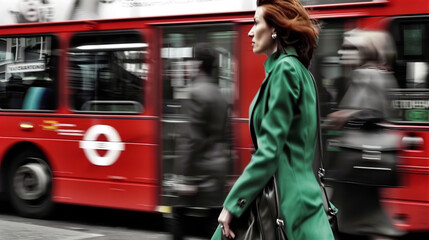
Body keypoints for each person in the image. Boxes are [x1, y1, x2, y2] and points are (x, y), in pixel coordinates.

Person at [212, 0, 334, 239]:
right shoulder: (301, 71)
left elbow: (268, 151)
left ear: (275, 29)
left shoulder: (284, 71)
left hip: (284, 204)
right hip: (303, 200)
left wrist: (232, 205)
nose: (250, 31)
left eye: (256, 22)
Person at [326, 30, 405, 240]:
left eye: (350, 48)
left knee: (359, 219)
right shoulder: (382, 73)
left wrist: (343, 116)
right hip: (364, 160)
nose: (342, 52)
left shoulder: (366, 75)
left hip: (358, 157)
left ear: (366, 51)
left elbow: (370, 112)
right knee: (361, 218)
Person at [171, 43, 231, 240]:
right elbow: (226, 136)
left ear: (198, 63)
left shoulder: (194, 93)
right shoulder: (220, 95)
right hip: (217, 171)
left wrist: (184, 177)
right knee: (213, 221)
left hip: (199, 172)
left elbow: (191, 139)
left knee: (178, 213)